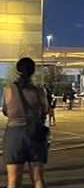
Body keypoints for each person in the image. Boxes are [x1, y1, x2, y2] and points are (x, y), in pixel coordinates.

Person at [2, 57, 49, 188]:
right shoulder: (39, 91)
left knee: (13, 180)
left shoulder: (9, 89)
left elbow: (6, 111)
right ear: (33, 71)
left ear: (17, 71)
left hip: (15, 134)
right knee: (38, 178)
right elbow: (45, 110)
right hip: (35, 133)